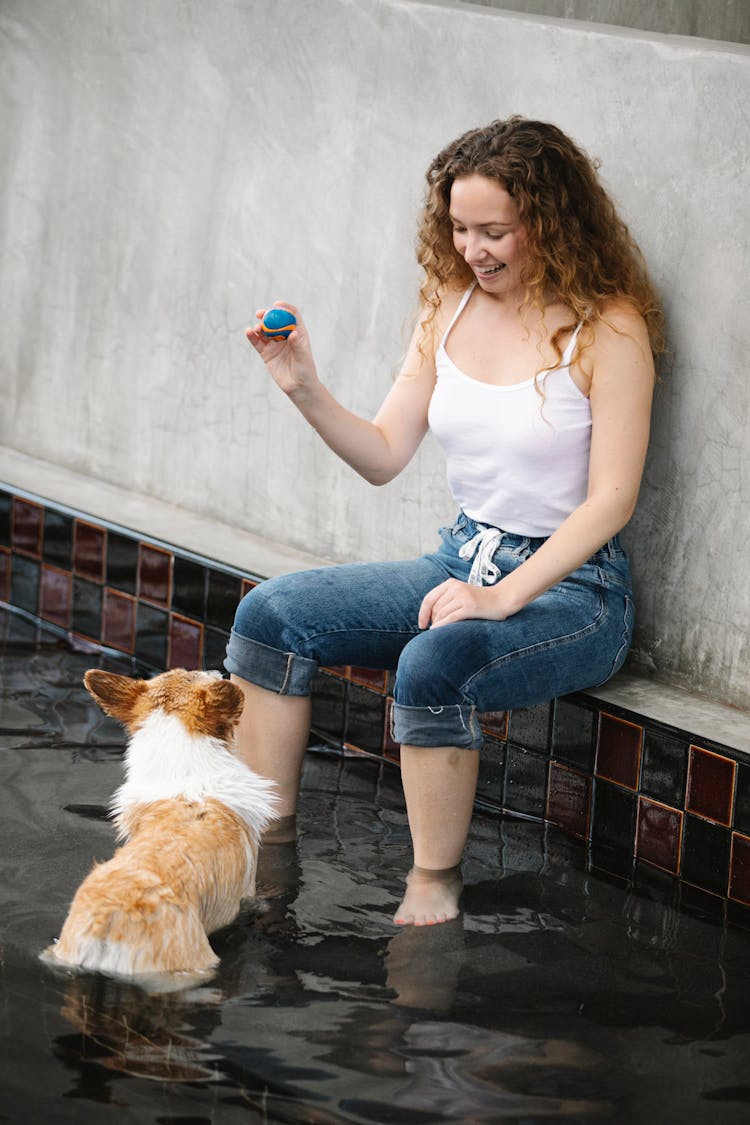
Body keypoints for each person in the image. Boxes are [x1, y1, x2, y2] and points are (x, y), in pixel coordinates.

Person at [225, 116, 664, 927]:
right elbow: (387, 451)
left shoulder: (610, 327)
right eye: (460, 229)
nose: (474, 248)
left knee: (435, 663)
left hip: (575, 589)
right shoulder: (448, 310)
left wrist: (499, 597)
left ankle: (432, 884)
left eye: (495, 230)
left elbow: (612, 500)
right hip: (462, 556)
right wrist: (302, 387)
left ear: (550, 220)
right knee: (272, 613)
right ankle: (263, 846)